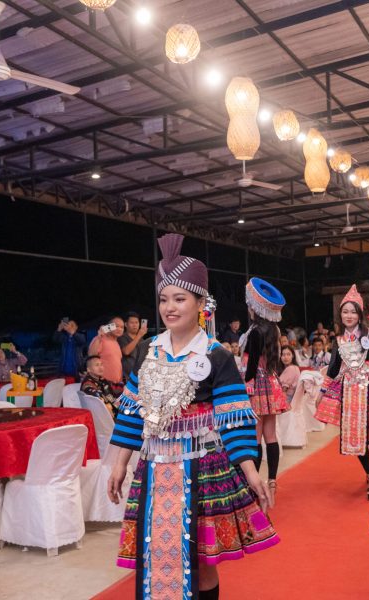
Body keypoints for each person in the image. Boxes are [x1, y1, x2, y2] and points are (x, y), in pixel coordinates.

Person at [107, 233, 278, 600]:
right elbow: (133, 412)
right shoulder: (149, 352)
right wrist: (120, 463)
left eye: (180, 299)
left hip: (202, 468)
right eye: (164, 299)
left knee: (202, 563)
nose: (170, 307)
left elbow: (234, 418)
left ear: (201, 303)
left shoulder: (215, 355)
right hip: (154, 468)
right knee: (156, 551)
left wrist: (251, 472)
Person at [315, 285, 369, 500]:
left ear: (360, 314)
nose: (349, 315)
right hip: (348, 392)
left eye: (353, 311)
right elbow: (334, 368)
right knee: (355, 436)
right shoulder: (338, 340)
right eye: (345, 311)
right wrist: (322, 391)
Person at [242, 277, 288, 501]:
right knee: (271, 436)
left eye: (250, 305)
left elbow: (250, 368)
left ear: (256, 307)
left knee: (255, 437)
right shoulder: (274, 330)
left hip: (257, 386)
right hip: (271, 382)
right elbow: (276, 362)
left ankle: (255, 486)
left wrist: (243, 382)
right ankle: (272, 481)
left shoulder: (254, 332)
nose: (249, 308)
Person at [88, 317, 125, 384]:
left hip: (117, 385)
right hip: (104, 384)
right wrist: (99, 336)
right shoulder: (100, 339)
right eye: (116, 326)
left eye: (122, 327)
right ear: (108, 327)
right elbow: (91, 356)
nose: (119, 329)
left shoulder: (116, 342)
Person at [119, 312, 148, 377]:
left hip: (140, 375)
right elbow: (126, 352)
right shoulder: (122, 337)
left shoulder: (141, 339)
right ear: (126, 324)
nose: (135, 325)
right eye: (132, 323)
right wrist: (139, 335)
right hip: (127, 376)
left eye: (136, 322)